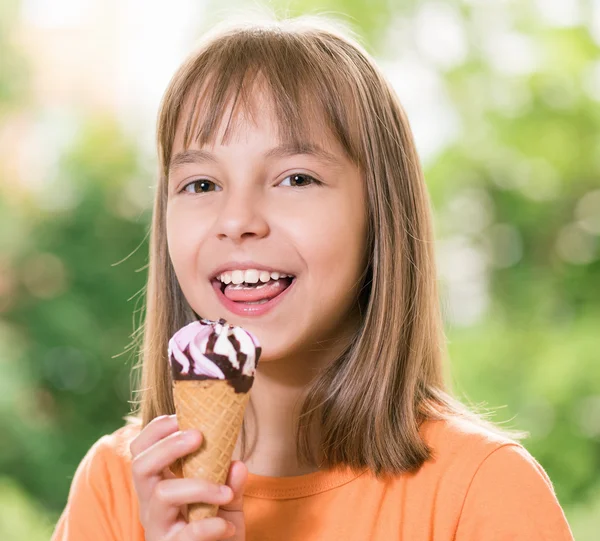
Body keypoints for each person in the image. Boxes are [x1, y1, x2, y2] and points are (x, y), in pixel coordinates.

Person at [51, 14, 575, 541]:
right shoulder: (116, 487)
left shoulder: (481, 491)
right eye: (202, 183)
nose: (237, 221)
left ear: (380, 214)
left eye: (296, 178)